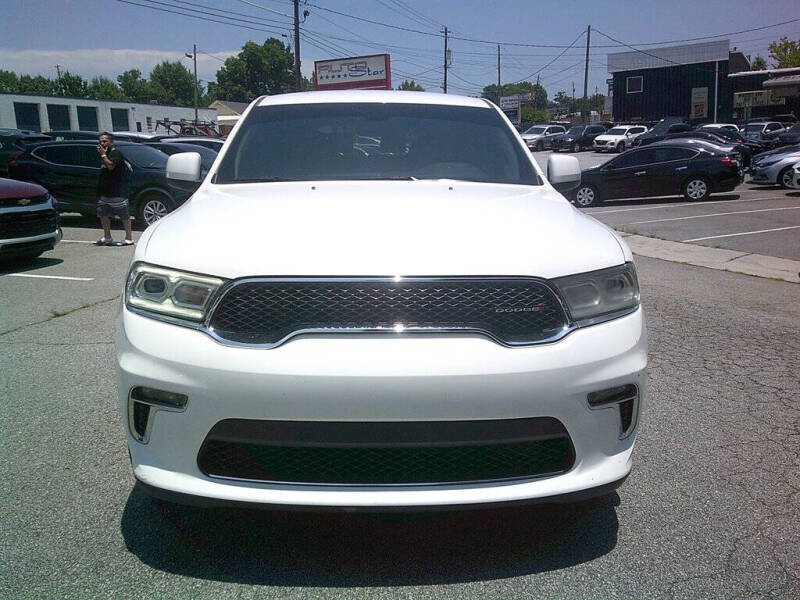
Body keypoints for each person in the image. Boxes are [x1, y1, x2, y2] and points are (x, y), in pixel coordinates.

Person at [95, 132, 134, 246]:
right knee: (103, 214)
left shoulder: (115, 153)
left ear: (111, 142)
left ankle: (128, 238)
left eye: (105, 141)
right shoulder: (105, 153)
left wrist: (103, 155)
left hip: (118, 192)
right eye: (101, 141)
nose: (102, 143)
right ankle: (107, 237)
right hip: (105, 192)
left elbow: (111, 166)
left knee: (124, 216)